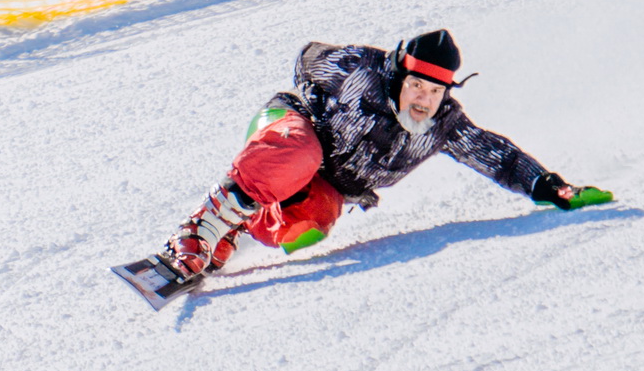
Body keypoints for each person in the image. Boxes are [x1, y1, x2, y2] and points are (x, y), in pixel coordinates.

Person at [161, 29, 611, 280]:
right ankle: (199, 228)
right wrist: (314, 103)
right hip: (290, 130)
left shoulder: (444, 125)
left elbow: (499, 156)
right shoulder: (360, 69)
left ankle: (232, 230)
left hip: (327, 183)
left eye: (435, 92)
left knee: (309, 226)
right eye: (416, 86)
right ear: (398, 77)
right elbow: (306, 58)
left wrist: (551, 186)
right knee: (301, 153)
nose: (423, 100)